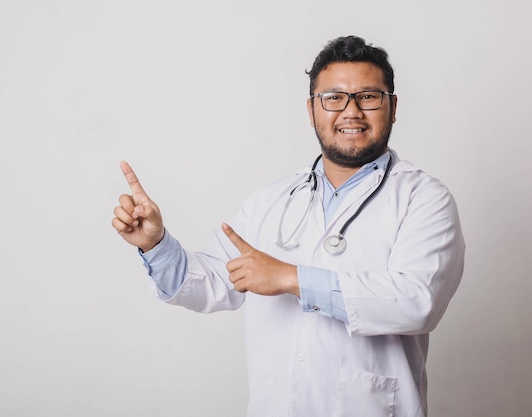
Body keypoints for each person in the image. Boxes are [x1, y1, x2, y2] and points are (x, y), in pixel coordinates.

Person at [112, 35, 465, 417]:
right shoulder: (272, 200)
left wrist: (290, 278)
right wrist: (156, 245)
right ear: (312, 110)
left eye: (368, 96)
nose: (351, 111)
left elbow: (417, 302)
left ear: (392, 107)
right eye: (333, 98)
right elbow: (213, 280)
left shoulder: (424, 198)